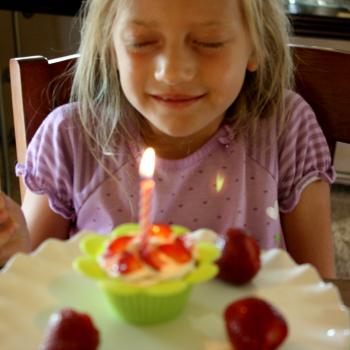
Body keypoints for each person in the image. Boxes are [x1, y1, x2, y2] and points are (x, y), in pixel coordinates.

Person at [0, 0, 335, 277]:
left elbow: (319, 293)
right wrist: (14, 247)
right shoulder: (69, 139)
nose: (173, 72)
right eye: (142, 42)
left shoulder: (285, 128)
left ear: (256, 47)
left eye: (209, 42)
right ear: (110, 48)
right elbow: (34, 288)